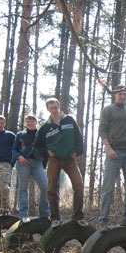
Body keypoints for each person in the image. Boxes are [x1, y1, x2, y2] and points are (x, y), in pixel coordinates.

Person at [35, 97, 86, 228]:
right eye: (51, 108)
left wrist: (77, 151)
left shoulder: (69, 120)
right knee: (52, 189)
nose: (54, 110)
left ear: (59, 106)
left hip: (70, 159)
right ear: (48, 109)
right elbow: (38, 145)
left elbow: (79, 138)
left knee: (79, 185)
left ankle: (78, 216)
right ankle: (55, 218)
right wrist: (47, 152)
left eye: (55, 107)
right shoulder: (45, 127)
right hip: (54, 160)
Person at [97, 86, 126, 230]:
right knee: (108, 187)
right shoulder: (108, 110)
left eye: (125, 94)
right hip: (114, 151)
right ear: (115, 94)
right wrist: (109, 149)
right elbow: (102, 130)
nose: (123, 96)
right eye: (121, 94)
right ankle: (103, 220)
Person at [12, 114, 50, 223]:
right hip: (24, 162)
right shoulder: (20, 135)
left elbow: (46, 151)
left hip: (38, 163)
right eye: (28, 121)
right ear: (26, 123)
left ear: (36, 122)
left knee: (45, 187)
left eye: (32, 121)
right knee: (23, 187)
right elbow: (14, 150)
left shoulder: (41, 135)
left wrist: (43, 165)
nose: (30, 123)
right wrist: (19, 157)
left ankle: (44, 213)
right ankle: (23, 214)